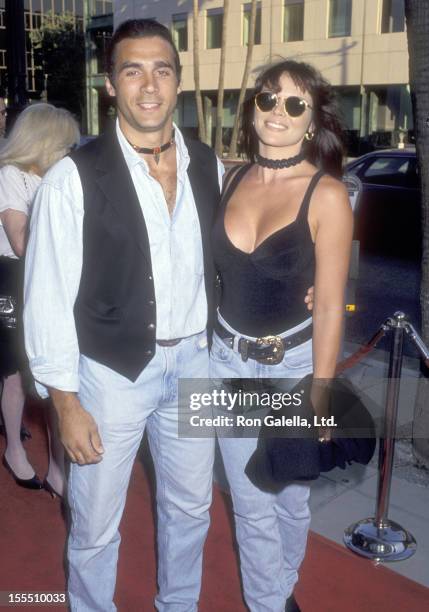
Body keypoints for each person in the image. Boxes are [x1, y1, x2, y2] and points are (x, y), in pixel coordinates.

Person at [24, 19, 222, 611]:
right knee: (95, 523)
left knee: (191, 509)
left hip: (194, 366)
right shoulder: (72, 177)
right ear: (111, 84)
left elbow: (227, 258)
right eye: (132, 70)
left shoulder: (206, 165)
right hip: (109, 375)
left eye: (162, 69)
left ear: (179, 82)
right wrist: (64, 401)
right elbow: (47, 296)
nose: (149, 84)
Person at [210, 59, 353, 612]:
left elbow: (333, 304)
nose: (278, 112)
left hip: (293, 369)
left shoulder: (327, 195)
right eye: (269, 99)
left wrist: (320, 389)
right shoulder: (229, 178)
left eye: (295, 104)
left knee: (291, 497)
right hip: (228, 364)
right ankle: (269, 602)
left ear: (312, 120)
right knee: (250, 499)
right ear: (253, 107)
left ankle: (283, 583)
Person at [0, 103, 79, 494]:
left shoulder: (58, 178)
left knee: (55, 373)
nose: (68, 151)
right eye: (63, 144)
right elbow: (20, 241)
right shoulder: (11, 176)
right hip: (13, 277)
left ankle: (59, 468)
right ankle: (14, 449)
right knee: (16, 371)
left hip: (50, 275)